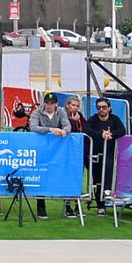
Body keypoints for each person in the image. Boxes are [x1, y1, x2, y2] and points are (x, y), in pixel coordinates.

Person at [28, 91, 70, 220]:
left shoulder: (61, 112)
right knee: (40, 175)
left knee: (62, 175)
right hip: (41, 149)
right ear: (44, 103)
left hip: (57, 151)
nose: (49, 106)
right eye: (47, 103)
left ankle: (68, 205)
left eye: (52, 103)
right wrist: (50, 130)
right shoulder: (36, 113)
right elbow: (33, 127)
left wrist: (64, 131)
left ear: (56, 104)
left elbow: (67, 125)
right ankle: (41, 205)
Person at [85, 98, 127, 214]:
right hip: (95, 153)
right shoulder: (93, 119)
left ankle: (108, 190)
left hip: (109, 152)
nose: (101, 110)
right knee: (97, 179)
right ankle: (100, 206)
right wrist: (101, 134)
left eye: (104, 107)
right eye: (99, 108)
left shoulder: (114, 119)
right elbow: (86, 129)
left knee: (108, 166)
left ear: (109, 108)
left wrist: (111, 135)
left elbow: (122, 130)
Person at [64, 95, 88, 217]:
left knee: (78, 178)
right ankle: (67, 205)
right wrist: (73, 121)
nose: (75, 108)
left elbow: (86, 130)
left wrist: (78, 121)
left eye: (77, 106)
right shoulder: (62, 117)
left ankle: (77, 205)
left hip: (79, 154)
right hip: (66, 153)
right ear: (67, 105)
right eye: (73, 105)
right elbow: (67, 131)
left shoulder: (81, 118)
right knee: (68, 179)